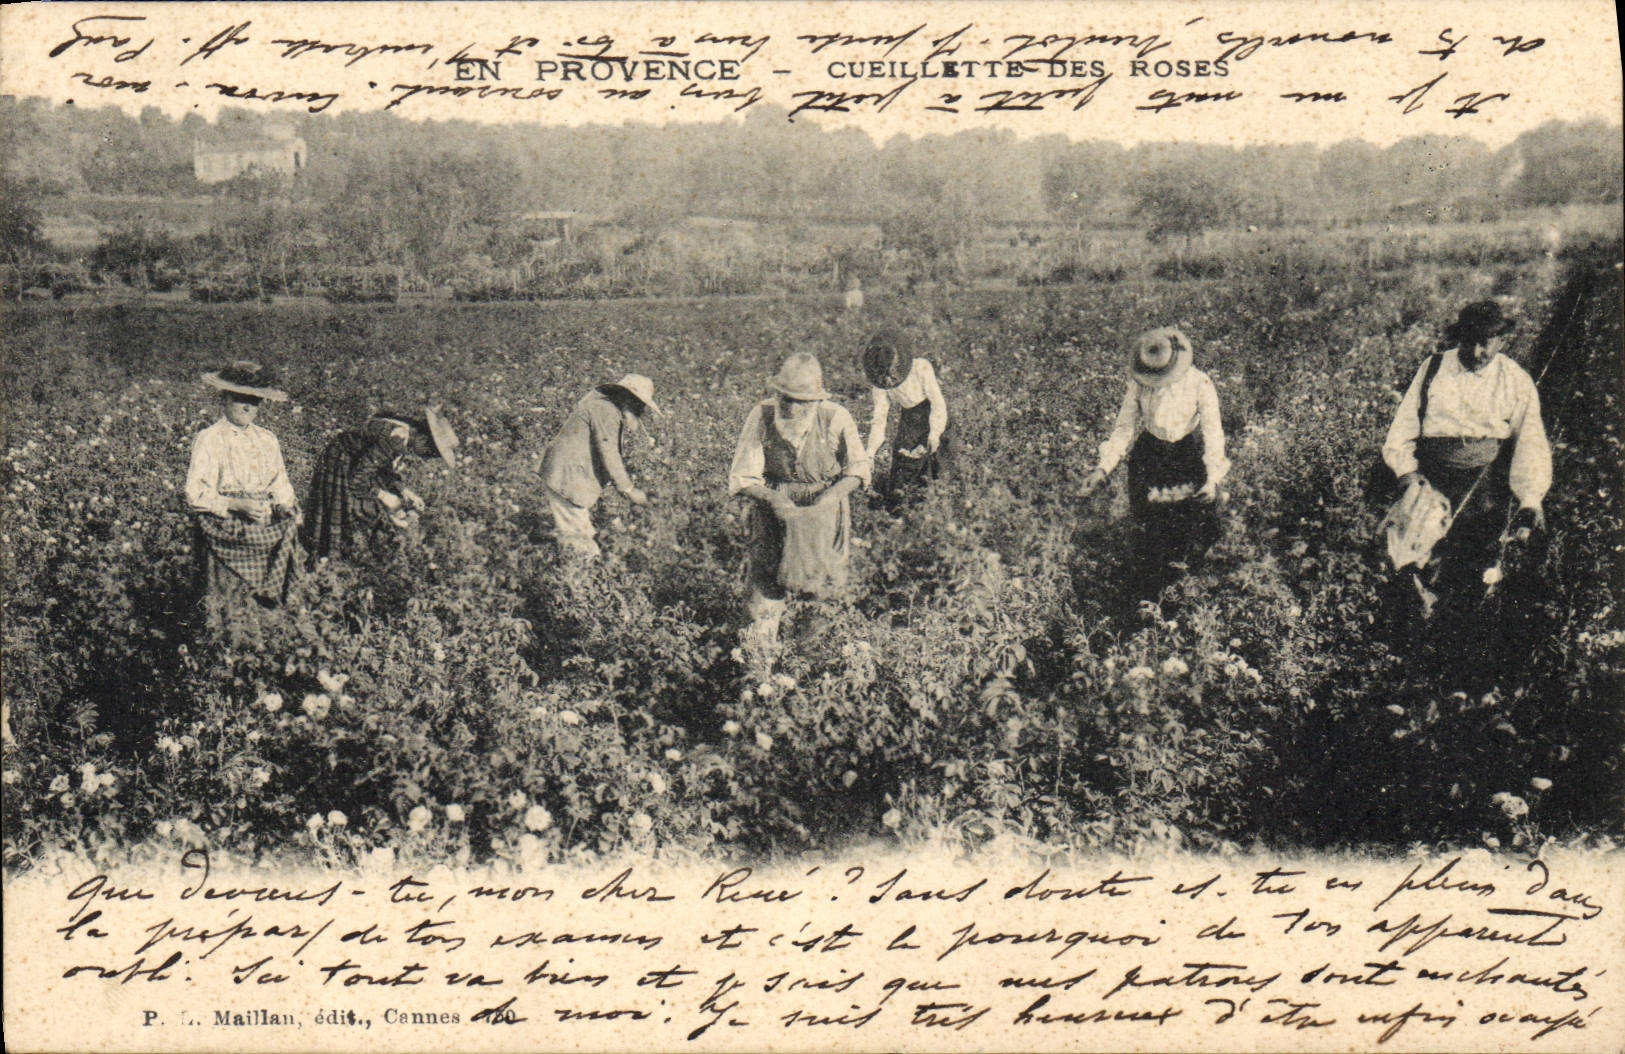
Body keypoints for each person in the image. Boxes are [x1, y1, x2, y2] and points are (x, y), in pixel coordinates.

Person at [1382, 300, 1550, 611]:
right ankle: (1414, 626)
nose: (1476, 352)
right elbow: (1403, 426)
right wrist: (1406, 472)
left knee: (1476, 566)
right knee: (1413, 560)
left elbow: (1531, 443)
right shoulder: (1433, 368)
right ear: (1459, 337)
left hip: (1484, 485)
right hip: (1430, 479)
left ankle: (1462, 629)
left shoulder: (1515, 380)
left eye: (1486, 344)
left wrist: (1529, 499)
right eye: (1469, 342)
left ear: (1501, 341)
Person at [728, 353, 873, 644]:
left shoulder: (835, 417)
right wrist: (774, 499)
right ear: (777, 394)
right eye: (786, 398)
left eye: (801, 400)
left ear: (816, 400)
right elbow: (743, 476)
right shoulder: (763, 415)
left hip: (824, 507)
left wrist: (831, 496)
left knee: (820, 594)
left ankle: (809, 663)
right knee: (764, 593)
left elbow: (858, 469)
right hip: (774, 509)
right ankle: (760, 668)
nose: (792, 407)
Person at [1082, 327, 1230, 596]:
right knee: (1151, 530)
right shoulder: (1139, 383)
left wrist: (1212, 479)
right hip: (1149, 458)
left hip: (1186, 456)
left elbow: (1213, 433)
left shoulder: (1200, 383)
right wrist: (1103, 468)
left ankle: (1186, 593)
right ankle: (1149, 596)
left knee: (1191, 526)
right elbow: (1124, 428)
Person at [186, 361, 301, 619]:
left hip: (262, 530)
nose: (248, 407)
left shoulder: (267, 439)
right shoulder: (210, 438)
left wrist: (283, 506)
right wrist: (237, 505)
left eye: (254, 400)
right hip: (225, 531)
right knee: (227, 601)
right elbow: (196, 494)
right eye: (240, 399)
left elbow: (280, 483)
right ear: (224, 399)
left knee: (262, 601)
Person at [302, 407, 458, 562]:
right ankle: (323, 556)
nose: (425, 458)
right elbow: (357, 480)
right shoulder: (395, 439)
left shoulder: (404, 430)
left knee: (352, 507)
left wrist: (404, 491)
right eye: (427, 453)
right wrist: (383, 495)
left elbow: (382, 468)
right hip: (340, 460)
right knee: (338, 506)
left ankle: (332, 551)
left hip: (356, 460)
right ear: (423, 439)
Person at [540, 374, 660, 559]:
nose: (641, 409)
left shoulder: (607, 409)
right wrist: (629, 489)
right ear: (626, 397)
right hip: (567, 477)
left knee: (578, 535)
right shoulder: (606, 410)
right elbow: (609, 453)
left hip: (569, 476)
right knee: (579, 542)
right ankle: (579, 581)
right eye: (639, 403)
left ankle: (577, 576)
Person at [862, 327, 951, 503]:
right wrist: (870, 453)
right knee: (903, 471)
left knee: (941, 468)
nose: (890, 380)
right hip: (909, 421)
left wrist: (934, 434)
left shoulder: (921, 367)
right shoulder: (880, 382)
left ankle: (940, 504)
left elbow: (938, 402)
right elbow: (879, 420)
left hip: (934, 416)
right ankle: (902, 510)